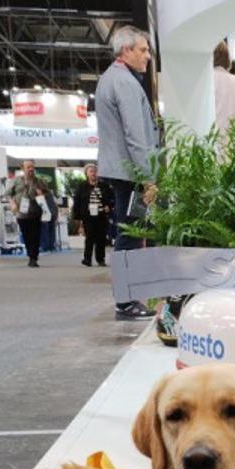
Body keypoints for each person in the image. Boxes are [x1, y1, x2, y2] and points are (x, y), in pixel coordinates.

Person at [96, 24, 159, 320]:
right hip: (131, 173)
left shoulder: (113, 78)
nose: (148, 56)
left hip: (124, 171)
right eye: (143, 50)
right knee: (130, 234)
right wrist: (147, 177)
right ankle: (126, 301)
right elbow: (135, 135)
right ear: (126, 50)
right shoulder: (123, 82)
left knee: (130, 232)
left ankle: (128, 298)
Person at [7, 159, 51, 268]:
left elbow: (47, 193)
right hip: (21, 213)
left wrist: (42, 194)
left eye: (32, 167)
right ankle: (30, 254)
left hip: (35, 212)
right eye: (28, 167)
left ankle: (33, 258)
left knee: (35, 236)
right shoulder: (16, 180)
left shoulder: (39, 181)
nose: (31, 169)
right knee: (26, 235)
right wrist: (12, 203)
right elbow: (8, 194)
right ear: (23, 168)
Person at [72, 164, 114, 267]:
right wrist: (78, 219)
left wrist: (109, 206)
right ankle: (87, 259)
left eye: (95, 171)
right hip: (88, 216)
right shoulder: (82, 186)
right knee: (89, 238)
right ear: (86, 174)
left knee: (101, 238)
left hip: (101, 216)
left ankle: (100, 259)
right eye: (91, 171)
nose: (93, 173)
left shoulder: (104, 186)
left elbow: (112, 199)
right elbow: (77, 202)